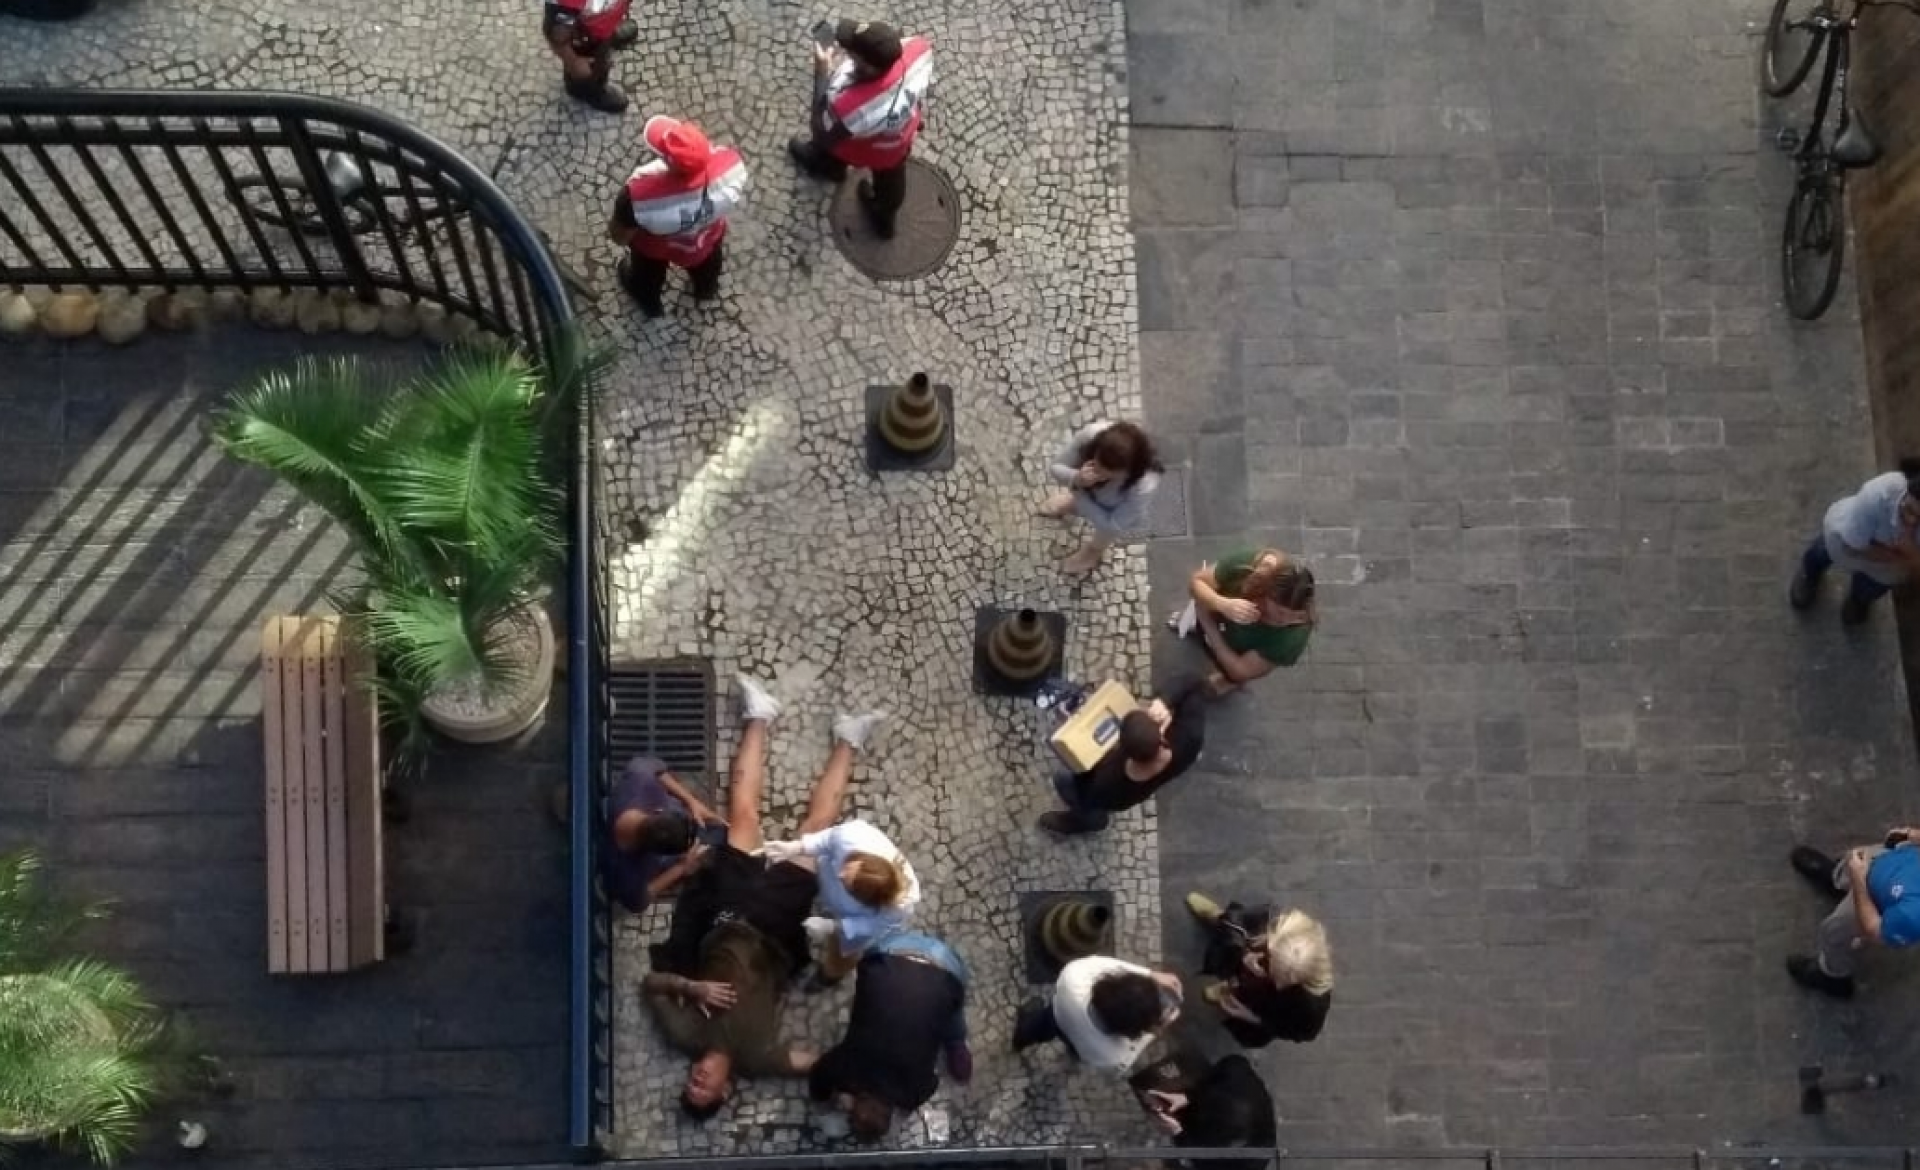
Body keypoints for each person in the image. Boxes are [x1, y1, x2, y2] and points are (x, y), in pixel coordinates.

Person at [640, 676, 886, 1118]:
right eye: (703, 1092)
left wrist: (690, 986)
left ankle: (759, 715)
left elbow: (651, 986)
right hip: (774, 929)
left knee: (742, 813)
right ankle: (849, 739)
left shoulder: (687, 1034)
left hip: (726, 916)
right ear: (725, 1093)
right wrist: (856, 1091)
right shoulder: (756, 1060)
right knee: (817, 831)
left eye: (689, 1087)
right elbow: (810, 1063)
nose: (696, 1082)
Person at [807, 929, 974, 1142]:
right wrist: (830, 1109)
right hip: (888, 953)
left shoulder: (912, 1091)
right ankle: (955, 1041)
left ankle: (955, 1040)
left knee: (948, 1006)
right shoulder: (845, 1069)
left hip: (944, 965)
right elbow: (817, 1078)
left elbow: (931, 1084)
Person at [787, 19, 933, 239]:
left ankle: (829, 167)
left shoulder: (851, 107)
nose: (846, 51)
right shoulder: (919, 48)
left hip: (863, 145)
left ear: (866, 65)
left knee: (829, 149)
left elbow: (822, 129)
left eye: (851, 51)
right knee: (891, 180)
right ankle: (885, 219)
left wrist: (822, 71)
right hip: (898, 140)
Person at [608, 115, 750, 319]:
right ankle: (706, 288)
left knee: (647, 274)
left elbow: (620, 236)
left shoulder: (638, 197)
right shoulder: (733, 166)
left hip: (657, 247)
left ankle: (649, 301)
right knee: (708, 260)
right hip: (706, 236)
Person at [758, 818, 919, 981]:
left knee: (845, 950)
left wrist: (834, 927)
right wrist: (797, 847)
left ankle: (830, 975)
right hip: (830, 890)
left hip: (849, 915)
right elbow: (828, 840)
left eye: (847, 884)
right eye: (848, 866)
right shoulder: (852, 836)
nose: (840, 874)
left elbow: (868, 925)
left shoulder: (897, 907)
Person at [1039, 684, 1206, 837]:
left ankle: (1089, 821)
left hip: (1105, 797)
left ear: (1121, 746)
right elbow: (1193, 683)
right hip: (1128, 794)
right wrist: (1165, 701)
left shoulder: (1108, 782)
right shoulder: (1190, 738)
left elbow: (1083, 783)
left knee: (1063, 779)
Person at [1784, 828, 1920, 999]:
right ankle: (1838, 880)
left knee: (1834, 931)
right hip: (1892, 859)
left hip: (1874, 898)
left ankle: (1833, 977)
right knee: (1852, 860)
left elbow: (1873, 928)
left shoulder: (1912, 916)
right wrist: (1912, 835)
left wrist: (1858, 880)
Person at [1182, 896, 1332, 1049]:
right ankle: (1216, 916)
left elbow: (1301, 1033)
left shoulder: (1310, 1008)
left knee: (1239, 988)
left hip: (1260, 1002)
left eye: (1278, 979)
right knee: (1231, 934)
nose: (1259, 968)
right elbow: (1243, 923)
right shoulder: (1272, 923)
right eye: (1266, 961)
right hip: (1250, 948)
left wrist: (1252, 1017)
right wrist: (1245, 953)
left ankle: (1228, 988)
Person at [1789, 459, 1920, 625]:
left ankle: (1859, 601)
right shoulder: (1879, 492)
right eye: (1908, 510)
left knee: (1872, 588)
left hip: (1889, 564)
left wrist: (1908, 551)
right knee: (1822, 553)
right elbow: (1854, 546)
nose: (1911, 520)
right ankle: (1809, 575)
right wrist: (1905, 555)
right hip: (1848, 538)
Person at [1171, 548, 1315, 697]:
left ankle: (1228, 680)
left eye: (1295, 617)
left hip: (1239, 646)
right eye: (1280, 612)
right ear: (1267, 594)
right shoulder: (1249, 565)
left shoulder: (1293, 636)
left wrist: (1208, 626)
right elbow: (1197, 582)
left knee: (1230, 672)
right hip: (1222, 614)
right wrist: (1222, 604)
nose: (1284, 621)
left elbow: (1242, 670)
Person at [1011, 954, 1183, 1074]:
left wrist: (1149, 974)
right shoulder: (1112, 1056)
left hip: (1059, 1014)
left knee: (1040, 1024)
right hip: (1085, 1047)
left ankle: (1022, 1036)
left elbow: (1106, 965)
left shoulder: (1073, 977)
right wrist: (1155, 1030)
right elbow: (1129, 1052)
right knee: (1075, 1049)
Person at [604, 755, 728, 913]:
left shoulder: (639, 779)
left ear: (657, 812)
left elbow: (658, 770)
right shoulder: (627, 875)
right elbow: (640, 901)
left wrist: (691, 801)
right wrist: (681, 868)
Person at [1042, 420, 1164, 574]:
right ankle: (1073, 503)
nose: (1097, 473)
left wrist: (1079, 491)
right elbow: (1055, 468)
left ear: (1127, 471)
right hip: (1085, 491)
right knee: (1082, 499)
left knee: (1104, 535)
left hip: (1111, 509)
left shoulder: (1144, 483)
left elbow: (1113, 525)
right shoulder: (1092, 435)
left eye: (1107, 473)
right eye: (1095, 465)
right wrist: (1076, 478)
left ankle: (1093, 551)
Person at [1133, 1052, 1277, 1170]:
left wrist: (1178, 1133)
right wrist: (1188, 1097)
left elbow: (1200, 1159)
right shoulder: (1236, 1077)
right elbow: (1233, 1063)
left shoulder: (1231, 1160)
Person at [541, 0, 638, 114]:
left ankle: (609, 30)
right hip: (585, 36)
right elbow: (556, 33)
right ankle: (585, 90)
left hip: (604, 15)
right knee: (591, 68)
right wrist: (573, 61)